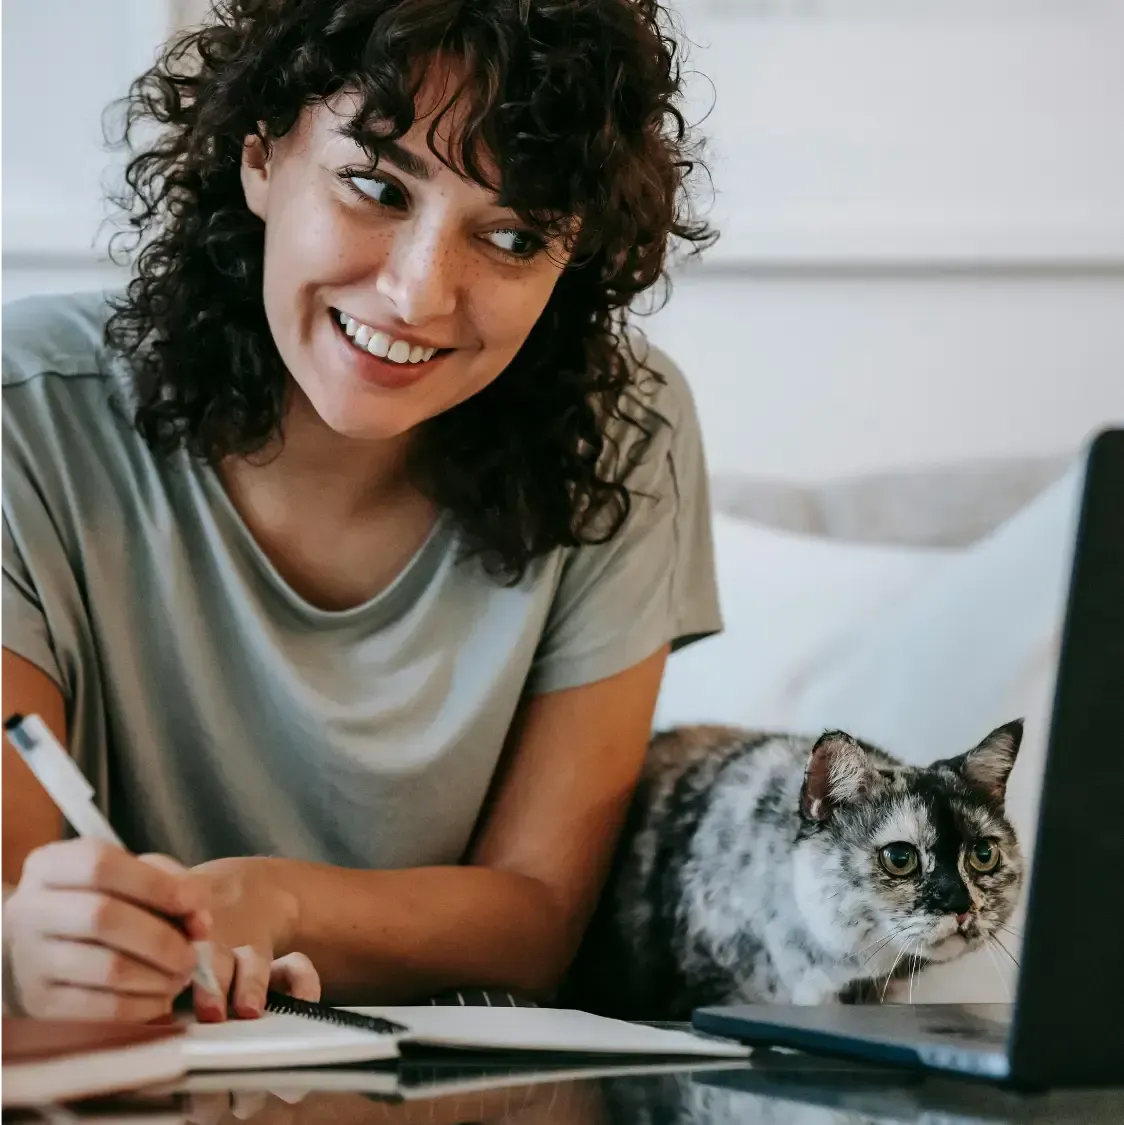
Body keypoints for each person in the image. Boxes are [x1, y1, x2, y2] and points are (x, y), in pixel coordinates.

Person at [0, 0, 720, 1023]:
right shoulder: (21, 417)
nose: (419, 294)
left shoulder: (625, 434)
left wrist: (280, 901)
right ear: (260, 156)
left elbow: (539, 918)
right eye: (376, 185)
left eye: (513, 235)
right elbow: (17, 891)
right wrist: (33, 945)